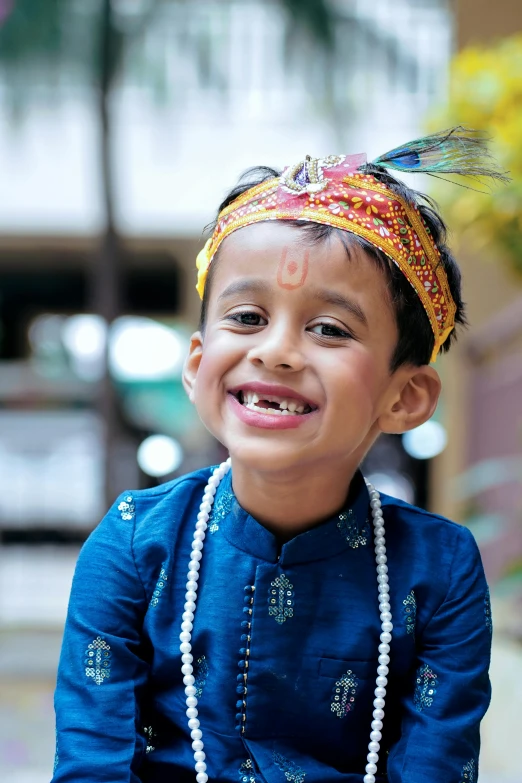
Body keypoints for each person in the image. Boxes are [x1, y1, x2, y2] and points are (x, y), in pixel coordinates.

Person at [51, 128, 504, 783]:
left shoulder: (440, 571)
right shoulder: (132, 545)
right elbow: (92, 767)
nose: (276, 350)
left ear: (405, 396)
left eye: (329, 328)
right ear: (198, 363)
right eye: (246, 317)